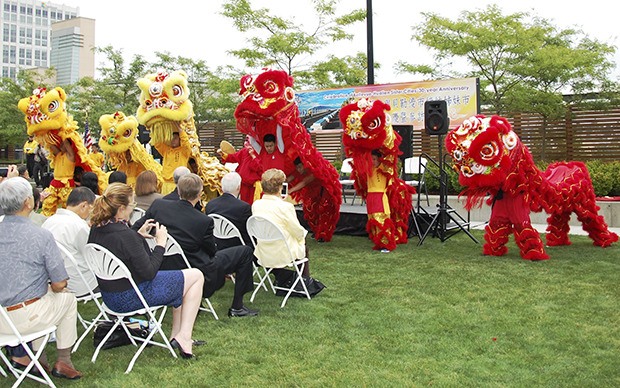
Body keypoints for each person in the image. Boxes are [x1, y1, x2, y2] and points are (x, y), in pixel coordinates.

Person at [88, 183, 204, 358]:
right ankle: (184, 337)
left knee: (183, 280)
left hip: (109, 297)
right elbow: (149, 272)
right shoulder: (124, 235)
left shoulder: (97, 229)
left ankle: (177, 336)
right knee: (196, 276)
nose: (132, 208)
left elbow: (122, 250)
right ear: (120, 209)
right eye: (132, 205)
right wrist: (161, 244)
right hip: (132, 295)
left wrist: (137, 235)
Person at [132, 174, 258, 318]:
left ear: (178, 191)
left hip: (162, 265)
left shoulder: (159, 206)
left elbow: (136, 228)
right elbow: (211, 252)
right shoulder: (202, 221)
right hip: (196, 270)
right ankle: (237, 306)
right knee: (246, 251)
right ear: (200, 194)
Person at [0, 177, 82, 379]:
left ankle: (37, 358)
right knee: (67, 299)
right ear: (29, 202)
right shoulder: (40, 235)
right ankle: (63, 360)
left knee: (43, 297)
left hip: (3, 316)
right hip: (23, 318)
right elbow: (59, 283)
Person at [251, 168, 311, 283]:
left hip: (263, 251)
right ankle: (304, 281)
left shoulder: (256, 204)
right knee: (303, 245)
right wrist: (302, 236)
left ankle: (284, 278)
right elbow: (297, 231)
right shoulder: (285, 207)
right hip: (282, 253)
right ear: (280, 187)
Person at [42, 187, 97, 296]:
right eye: (91, 209)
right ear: (84, 206)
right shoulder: (79, 226)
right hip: (82, 284)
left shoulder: (49, 222)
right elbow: (92, 256)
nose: (91, 213)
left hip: (54, 279)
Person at [204, 171, 252, 249]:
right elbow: (248, 232)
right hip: (239, 248)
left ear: (222, 187)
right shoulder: (243, 207)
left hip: (217, 246)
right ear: (238, 187)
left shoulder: (210, 204)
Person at [366, 150, 395, 253]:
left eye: (374, 159)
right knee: (372, 218)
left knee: (381, 219)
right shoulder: (368, 169)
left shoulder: (383, 168)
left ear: (379, 159)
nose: (372, 161)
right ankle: (377, 240)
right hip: (370, 196)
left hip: (379, 196)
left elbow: (391, 160)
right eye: (370, 159)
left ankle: (385, 244)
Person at [153, 130, 191, 195]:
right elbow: (157, 143)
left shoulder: (184, 151)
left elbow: (186, 143)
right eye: (171, 138)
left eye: (175, 138)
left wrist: (180, 130)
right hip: (166, 184)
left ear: (180, 139)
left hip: (179, 184)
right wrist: (157, 129)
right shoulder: (166, 150)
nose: (173, 140)